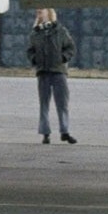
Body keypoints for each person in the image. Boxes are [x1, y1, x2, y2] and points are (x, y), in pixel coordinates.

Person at [25, 8, 76, 144]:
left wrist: (63, 58)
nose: (38, 12)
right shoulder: (35, 34)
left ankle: (65, 132)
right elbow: (30, 50)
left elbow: (70, 47)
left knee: (62, 103)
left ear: (49, 13)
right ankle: (45, 133)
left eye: (41, 10)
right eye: (37, 11)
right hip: (43, 72)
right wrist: (35, 59)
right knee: (44, 104)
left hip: (58, 71)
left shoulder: (60, 31)